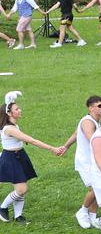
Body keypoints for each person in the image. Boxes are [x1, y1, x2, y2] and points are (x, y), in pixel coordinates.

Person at [1, 91, 67, 224]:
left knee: (21, 188)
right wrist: (52, 149)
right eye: (17, 109)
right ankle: (2, 207)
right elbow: (32, 140)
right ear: (9, 113)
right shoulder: (10, 129)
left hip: (19, 156)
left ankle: (18, 216)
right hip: (11, 159)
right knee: (22, 189)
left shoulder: (13, 125)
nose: (20, 110)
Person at [69, 95, 101, 232]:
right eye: (100, 106)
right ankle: (82, 211)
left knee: (98, 188)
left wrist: (65, 146)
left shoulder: (97, 121)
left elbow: (76, 134)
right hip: (86, 162)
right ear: (91, 108)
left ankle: (93, 217)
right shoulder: (88, 122)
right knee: (95, 188)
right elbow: (92, 139)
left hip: (94, 161)